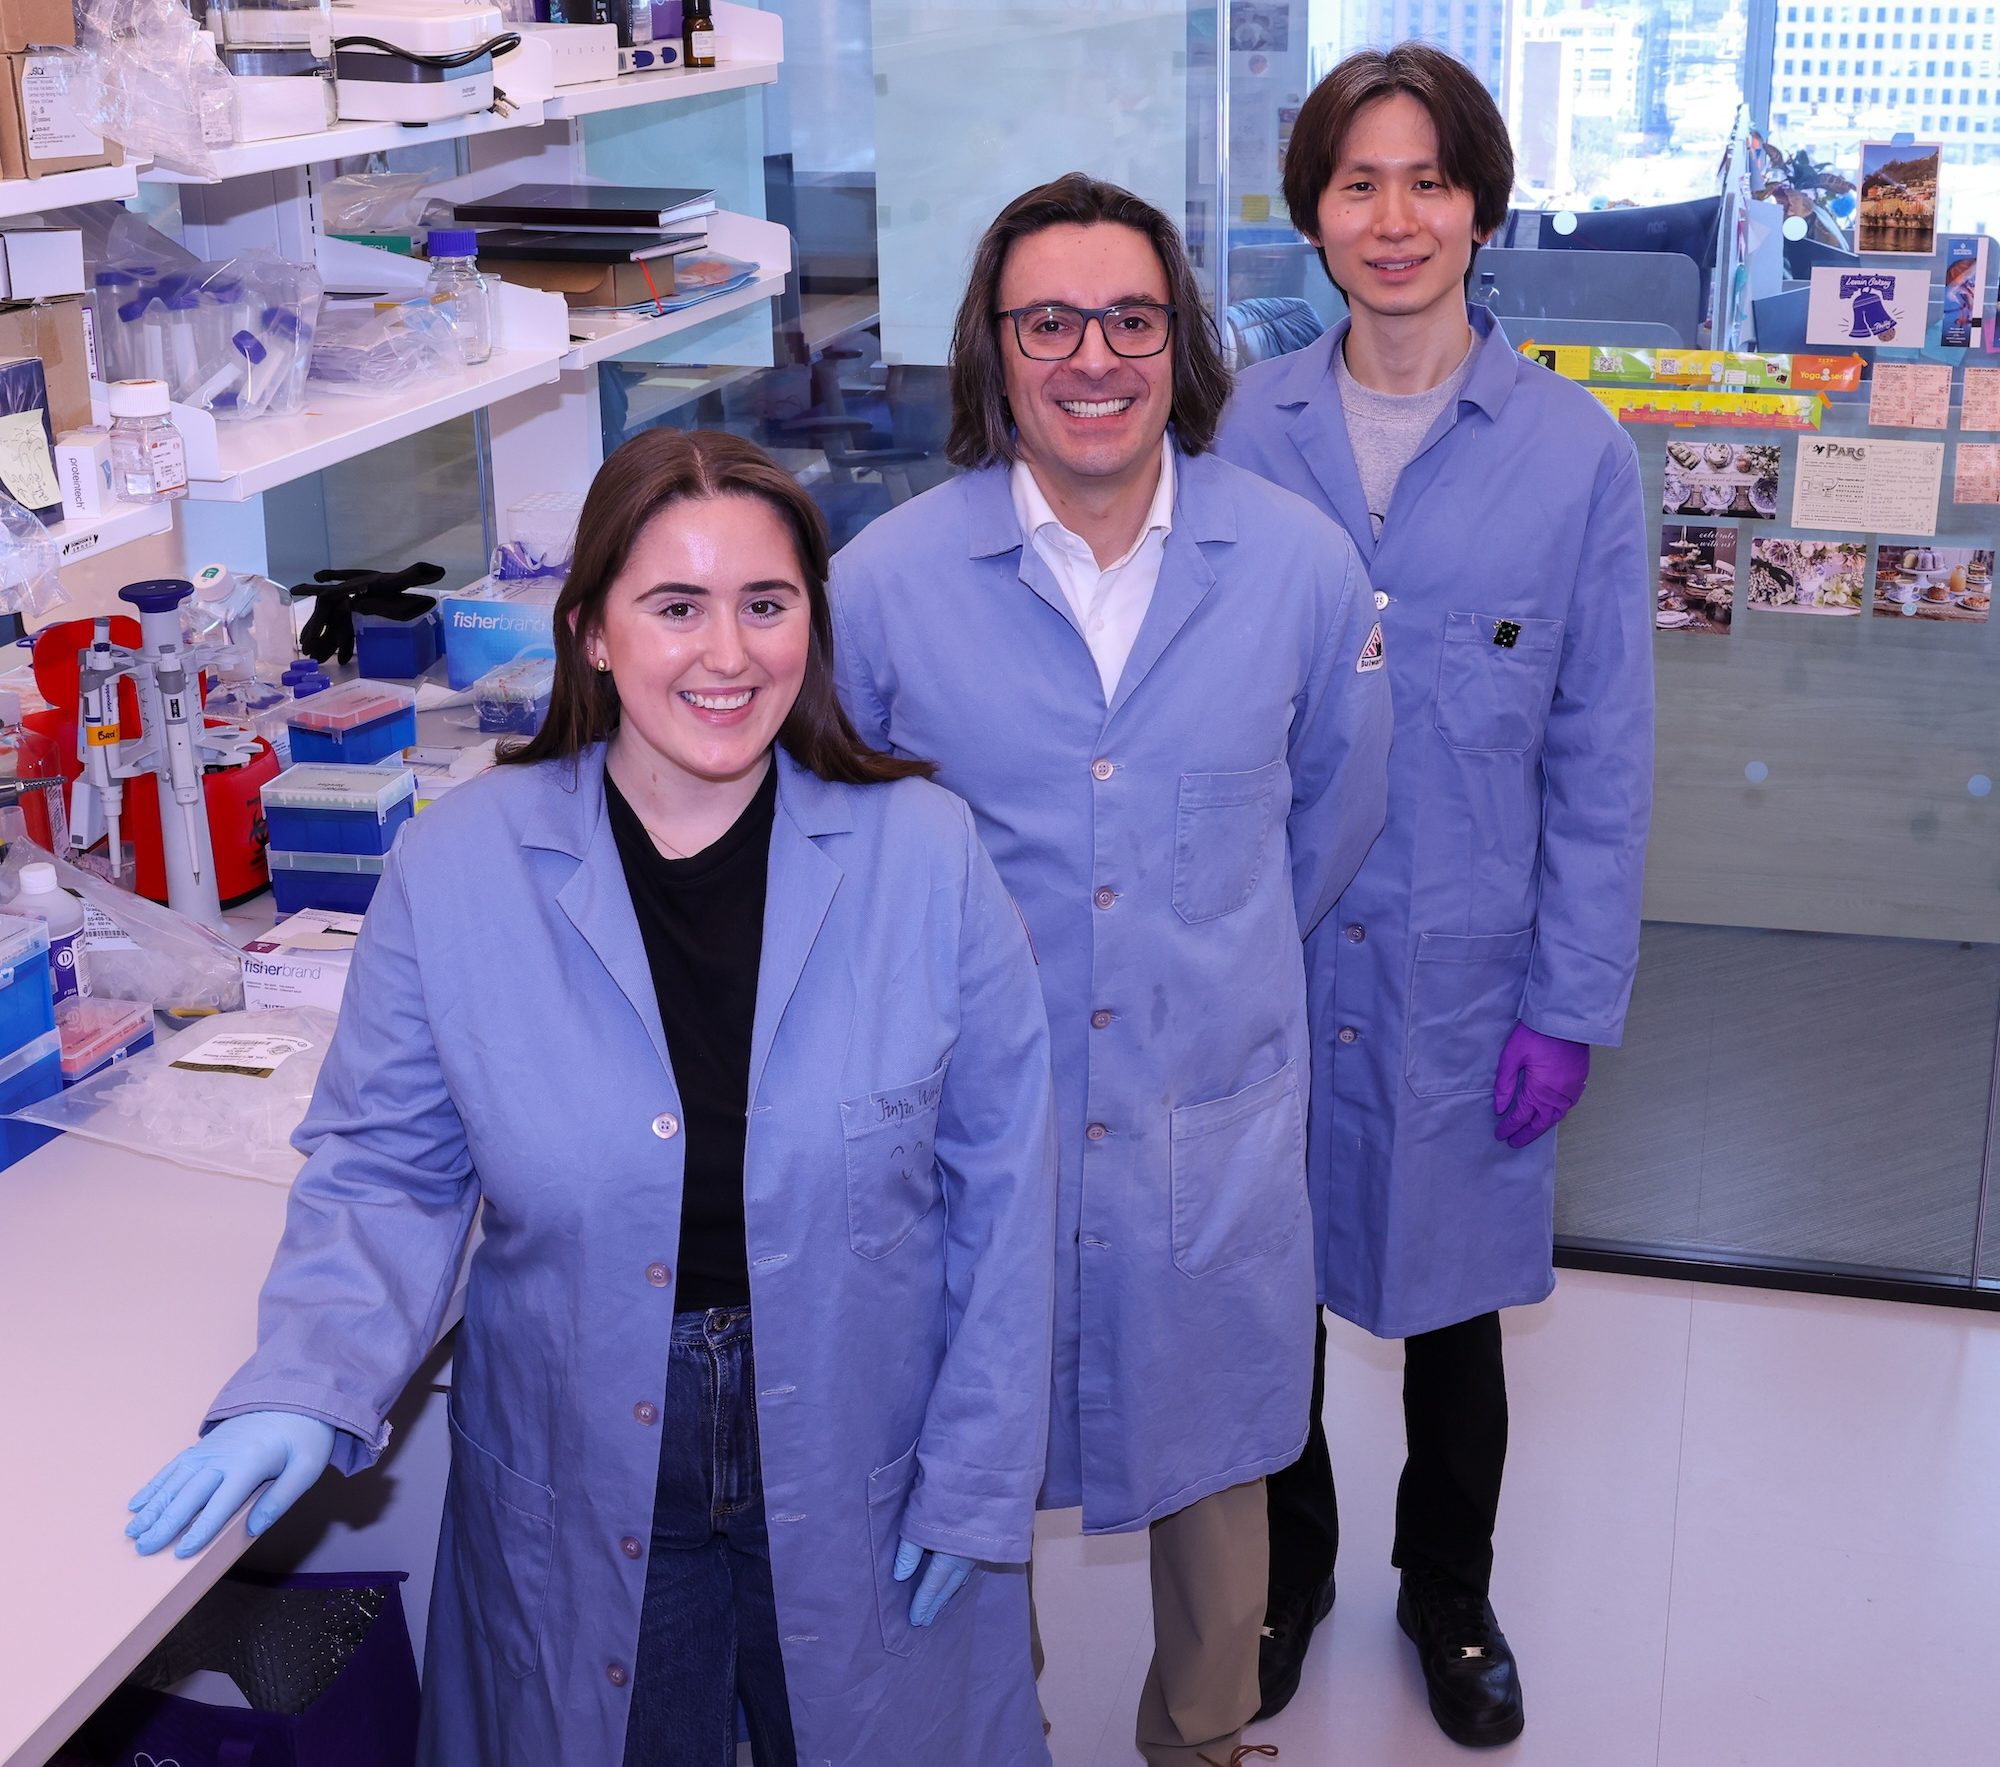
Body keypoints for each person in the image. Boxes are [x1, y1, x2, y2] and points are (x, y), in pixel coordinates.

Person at [122, 429, 1060, 1767]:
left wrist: (975, 1479)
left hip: (869, 1427)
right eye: (675, 606)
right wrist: (304, 1381)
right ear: (594, 636)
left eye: (768, 604)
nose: (728, 655)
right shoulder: (458, 875)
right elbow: (388, 1173)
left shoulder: (927, 856)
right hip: (585, 1439)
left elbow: (1008, 1188)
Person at [831, 173, 1393, 1767]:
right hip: (968, 1138)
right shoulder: (881, 591)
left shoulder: (1294, 574)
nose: (1095, 356)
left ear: (1182, 341)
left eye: (1132, 318)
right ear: (993, 350)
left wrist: (1196, 963)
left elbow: (1336, 813)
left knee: (1218, 1471)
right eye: (1049, 321)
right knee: (961, 1461)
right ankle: (977, 1738)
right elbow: (852, 867)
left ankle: (1202, 1742)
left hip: (1201, 1122)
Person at [1215, 42, 1654, 1747]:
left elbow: (1604, 754)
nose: (1394, 220)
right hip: (1269, 948)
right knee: (1272, 1297)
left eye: (1429, 181)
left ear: (1480, 203)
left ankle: (1449, 1594)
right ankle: (1291, 1577)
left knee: (1454, 1312)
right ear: (1314, 214)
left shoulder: (1574, 454)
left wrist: (1572, 998)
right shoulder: (1245, 428)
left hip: (1471, 968)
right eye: (1357, 183)